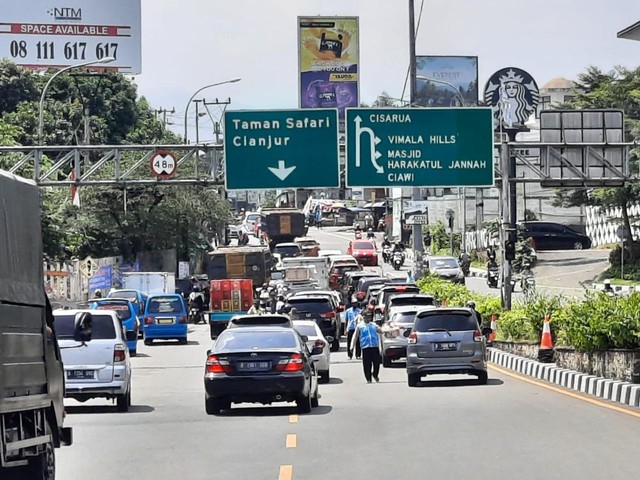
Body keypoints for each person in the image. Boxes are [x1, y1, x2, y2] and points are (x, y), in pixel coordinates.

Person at [351, 309, 383, 383]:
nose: (368, 318)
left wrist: (387, 330)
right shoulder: (360, 326)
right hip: (366, 347)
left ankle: (375, 374)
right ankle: (368, 378)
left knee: (376, 363)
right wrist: (352, 346)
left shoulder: (373, 325)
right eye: (367, 317)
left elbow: (381, 331)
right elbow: (355, 336)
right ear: (363, 317)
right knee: (367, 364)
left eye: (369, 317)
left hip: (374, 346)